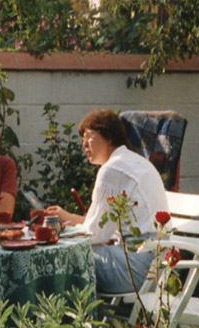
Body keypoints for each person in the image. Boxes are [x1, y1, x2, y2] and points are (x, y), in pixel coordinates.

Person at [44, 109, 169, 293]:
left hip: (134, 269)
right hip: (152, 266)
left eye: (89, 136)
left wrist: (61, 234)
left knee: (59, 256)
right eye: (82, 139)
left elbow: (95, 234)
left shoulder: (112, 169)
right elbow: (101, 228)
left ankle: (54, 310)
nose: (84, 144)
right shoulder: (133, 161)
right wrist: (69, 219)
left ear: (109, 137)